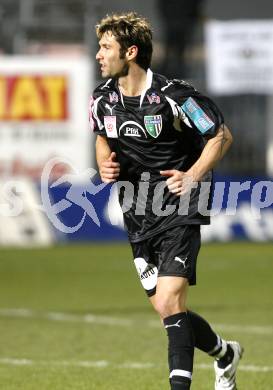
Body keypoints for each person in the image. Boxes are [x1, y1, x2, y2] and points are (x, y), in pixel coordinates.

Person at [90, 12, 243, 390]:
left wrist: (193, 176)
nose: (98, 54)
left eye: (106, 47)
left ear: (131, 51)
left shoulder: (174, 97)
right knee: (166, 308)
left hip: (180, 202)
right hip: (137, 210)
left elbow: (221, 136)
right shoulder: (102, 99)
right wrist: (103, 163)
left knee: (172, 299)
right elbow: (101, 136)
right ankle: (226, 354)